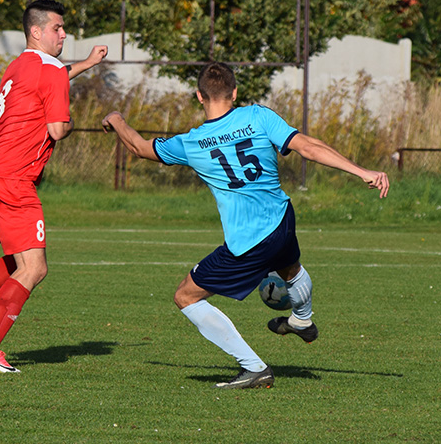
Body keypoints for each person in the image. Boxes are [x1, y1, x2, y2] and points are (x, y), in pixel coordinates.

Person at [101, 61, 389, 389]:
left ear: (199, 96)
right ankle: (302, 320)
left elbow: (139, 147)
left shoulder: (192, 142)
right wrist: (362, 171)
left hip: (249, 240)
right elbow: (308, 147)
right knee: (289, 268)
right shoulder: (258, 116)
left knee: (185, 296)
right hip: (282, 218)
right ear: (235, 92)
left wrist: (117, 120)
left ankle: (254, 367)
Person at [0, 0, 108, 373]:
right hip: (13, 178)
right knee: (34, 268)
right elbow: (57, 130)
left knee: (17, 259)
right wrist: (72, 122)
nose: (64, 34)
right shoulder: (51, 71)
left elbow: (54, 75)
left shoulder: (19, 65)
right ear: (36, 31)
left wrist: (86, 64)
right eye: (57, 28)